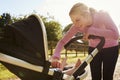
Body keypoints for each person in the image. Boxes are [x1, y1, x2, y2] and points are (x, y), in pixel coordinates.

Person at [50, 2, 119, 80]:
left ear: (86, 14)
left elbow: (116, 35)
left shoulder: (102, 15)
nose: (75, 24)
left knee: (108, 77)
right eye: (73, 22)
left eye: (77, 20)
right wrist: (56, 56)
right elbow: (62, 41)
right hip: (94, 50)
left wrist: (92, 31)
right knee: (95, 77)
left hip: (111, 49)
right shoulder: (77, 26)